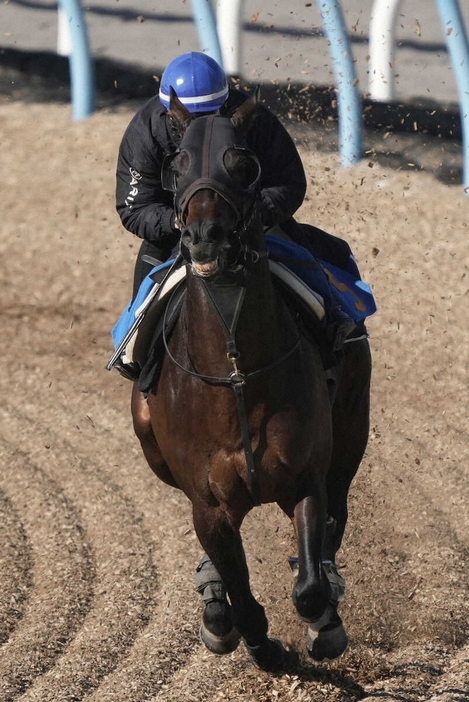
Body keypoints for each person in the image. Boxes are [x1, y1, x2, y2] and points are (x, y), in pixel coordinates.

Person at [115, 51, 365, 380]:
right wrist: (177, 223)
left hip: (249, 224)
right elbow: (133, 208)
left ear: (226, 104)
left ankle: (336, 325)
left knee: (306, 259)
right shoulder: (146, 132)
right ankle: (136, 358)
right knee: (141, 315)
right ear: (170, 113)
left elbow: (289, 183)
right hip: (179, 232)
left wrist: (249, 215)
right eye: (189, 119)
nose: (201, 127)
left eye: (209, 116)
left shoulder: (253, 119)